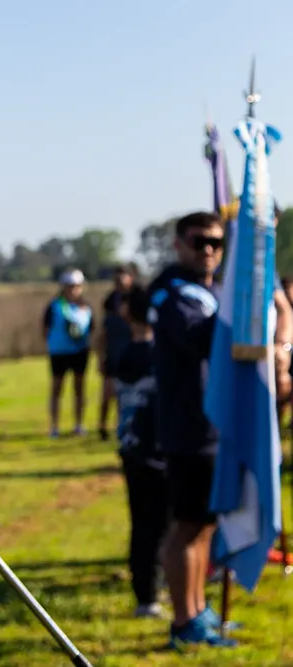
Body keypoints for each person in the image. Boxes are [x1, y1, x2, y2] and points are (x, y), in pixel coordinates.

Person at [148, 210, 291, 649]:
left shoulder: (208, 290)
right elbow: (204, 337)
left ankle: (197, 609)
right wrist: (243, 299)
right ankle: (183, 620)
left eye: (216, 243)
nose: (207, 249)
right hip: (188, 427)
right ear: (178, 243)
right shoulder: (171, 293)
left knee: (206, 526)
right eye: (198, 241)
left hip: (217, 426)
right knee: (187, 528)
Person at [111, 284, 168, 619]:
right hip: (156, 451)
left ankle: (146, 596)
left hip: (130, 448)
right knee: (160, 526)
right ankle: (154, 592)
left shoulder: (125, 354)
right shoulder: (156, 355)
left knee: (141, 525)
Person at [42, 268, 93, 437]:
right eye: (70, 286)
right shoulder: (54, 306)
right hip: (59, 353)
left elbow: (92, 330)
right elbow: (45, 329)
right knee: (57, 389)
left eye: (76, 286)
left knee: (79, 388)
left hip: (80, 352)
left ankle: (79, 424)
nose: (73, 289)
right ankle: (54, 427)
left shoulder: (86, 308)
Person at [97, 263, 136, 441]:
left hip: (130, 354)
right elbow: (103, 332)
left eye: (123, 275)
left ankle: (123, 426)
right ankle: (102, 427)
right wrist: (100, 356)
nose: (120, 280)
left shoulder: (137, 298)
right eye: (117, 276)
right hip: (113, 353)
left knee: (125, 396)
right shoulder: (110, 300)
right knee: (107, 394)